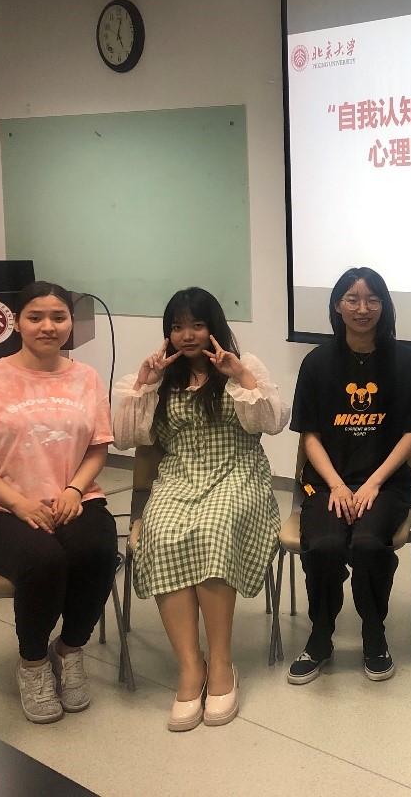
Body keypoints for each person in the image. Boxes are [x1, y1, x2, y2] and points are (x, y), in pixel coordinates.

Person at [113, 287, 288, 731]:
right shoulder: (160, 377)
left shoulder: (243, 366)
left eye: (196, 325)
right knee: (160, 532)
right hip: (179, 475)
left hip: (237, 473)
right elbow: (127, 438)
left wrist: (240, 376)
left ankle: (222, 663)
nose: (187, 335)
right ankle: (191, 666)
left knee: (214, 528)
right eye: (177, 327)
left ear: (214, 327)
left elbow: (273, 423)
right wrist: (143, 384)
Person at [0, 281, 117, 725]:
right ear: (16, 322)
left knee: (98, 550)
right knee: (44, 560)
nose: (48, 326)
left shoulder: (86, 378)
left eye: (58, 317)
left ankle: (70, 649)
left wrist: (74, 490)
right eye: (35, 317)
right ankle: (33, 663)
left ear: (71, 323)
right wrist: (19, 504)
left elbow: (98, 448)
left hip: (71, 498)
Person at [287, 267, 411, 684]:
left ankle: (374, 632)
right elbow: (309, 435)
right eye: (352, 299)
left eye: (372, 299)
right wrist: (337, 484)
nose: (362, 308)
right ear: (337, 305)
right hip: (327, 483)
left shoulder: (405, 361)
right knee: (326, 545)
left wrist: (373, 483)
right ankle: (320, 636)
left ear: (384, 306)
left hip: (385, 485)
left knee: (369, 544)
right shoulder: (316, 362)